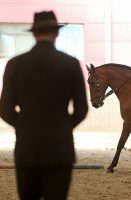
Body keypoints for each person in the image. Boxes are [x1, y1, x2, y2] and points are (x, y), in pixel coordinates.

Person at [0, 11, 88, 199]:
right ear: (56, 33)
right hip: (60, 150)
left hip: (27, 149)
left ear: (33, 33)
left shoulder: (15, 64)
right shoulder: (71, 64)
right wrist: (62, 127)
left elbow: (5, 110)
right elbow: (82, 110)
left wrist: (25, 126)